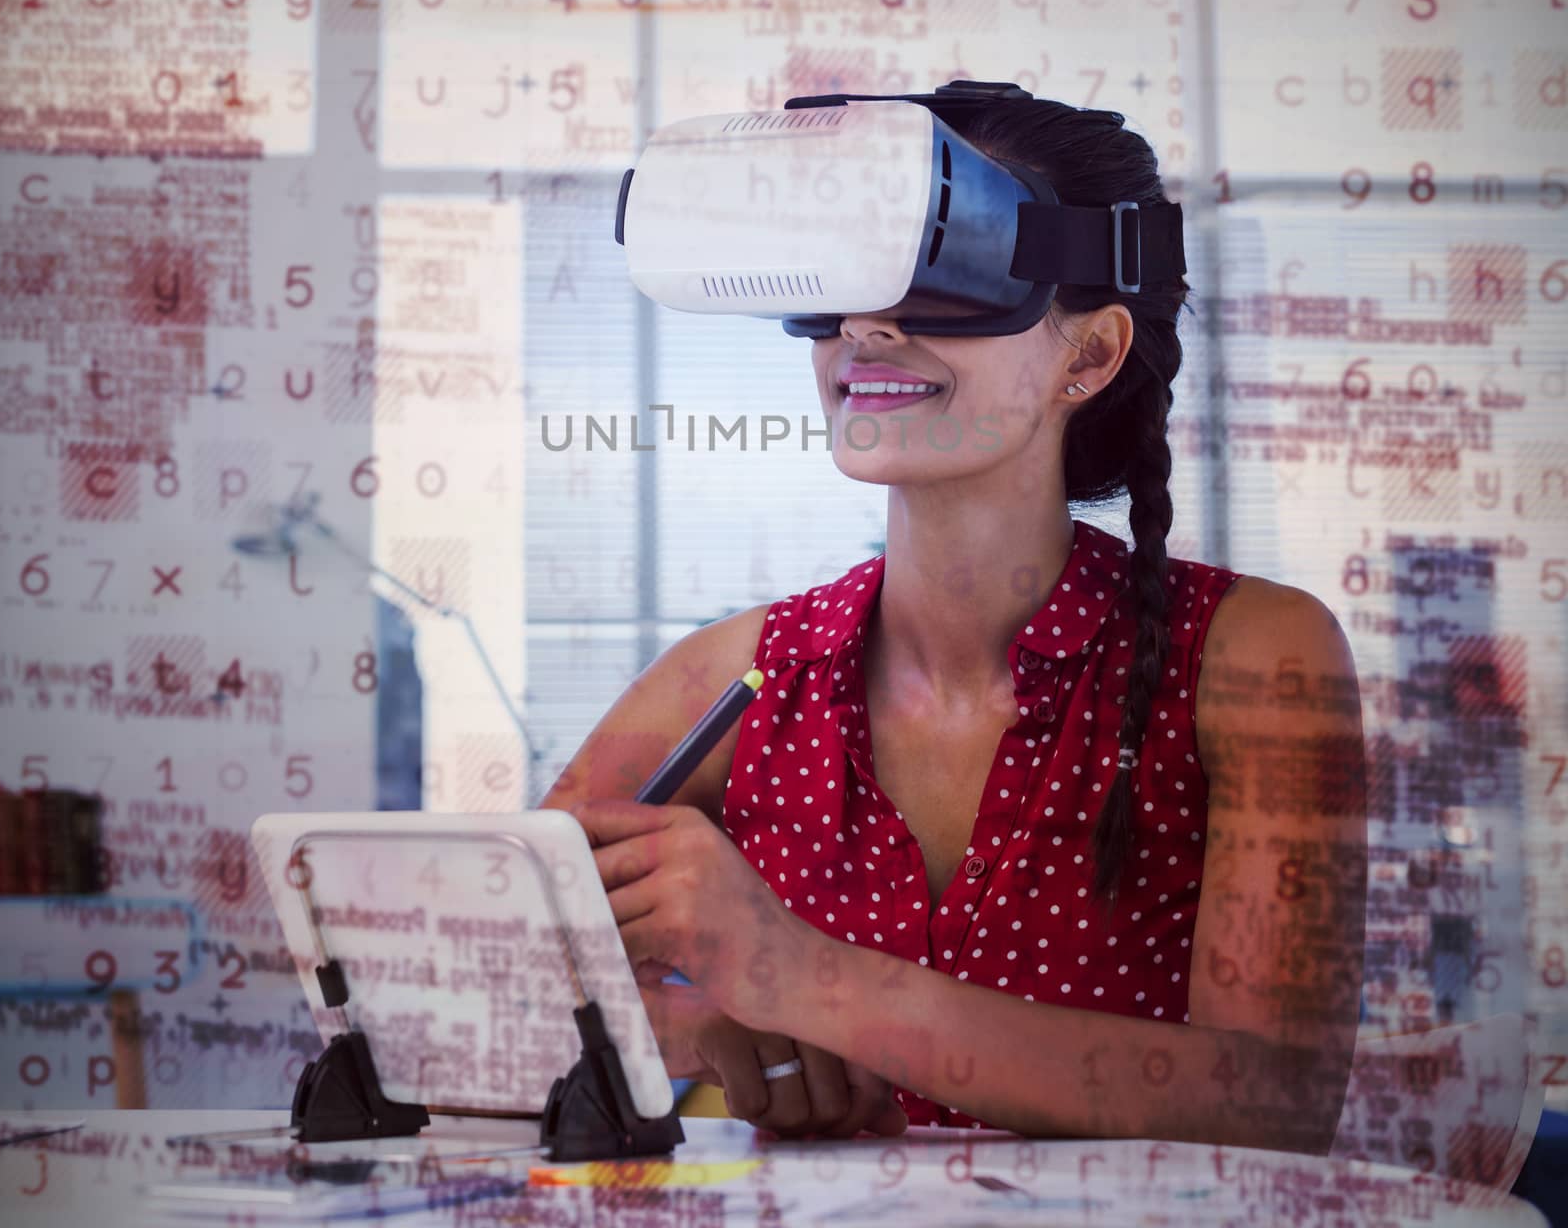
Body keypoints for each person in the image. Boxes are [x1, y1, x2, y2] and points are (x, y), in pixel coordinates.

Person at [544, 93, 1367, 1148]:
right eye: (849, 276)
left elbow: (1277, 1101)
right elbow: (475, 966)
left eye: (945, 272)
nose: (869, 326)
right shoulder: (727, 678)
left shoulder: (1255, 661)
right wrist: (703, 1023)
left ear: (1088, 356)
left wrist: (809, 981)